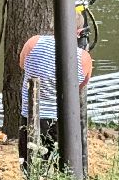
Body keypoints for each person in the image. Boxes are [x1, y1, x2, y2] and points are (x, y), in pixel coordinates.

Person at [17, 12, 93, 170]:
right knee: (60, 166)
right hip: (60, 120)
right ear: (79, 32)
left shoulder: (33, 42)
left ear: (54, 25)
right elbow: (80, 86)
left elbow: (23, 65)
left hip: (30, 115)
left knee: (30, 164)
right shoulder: (83, 58)